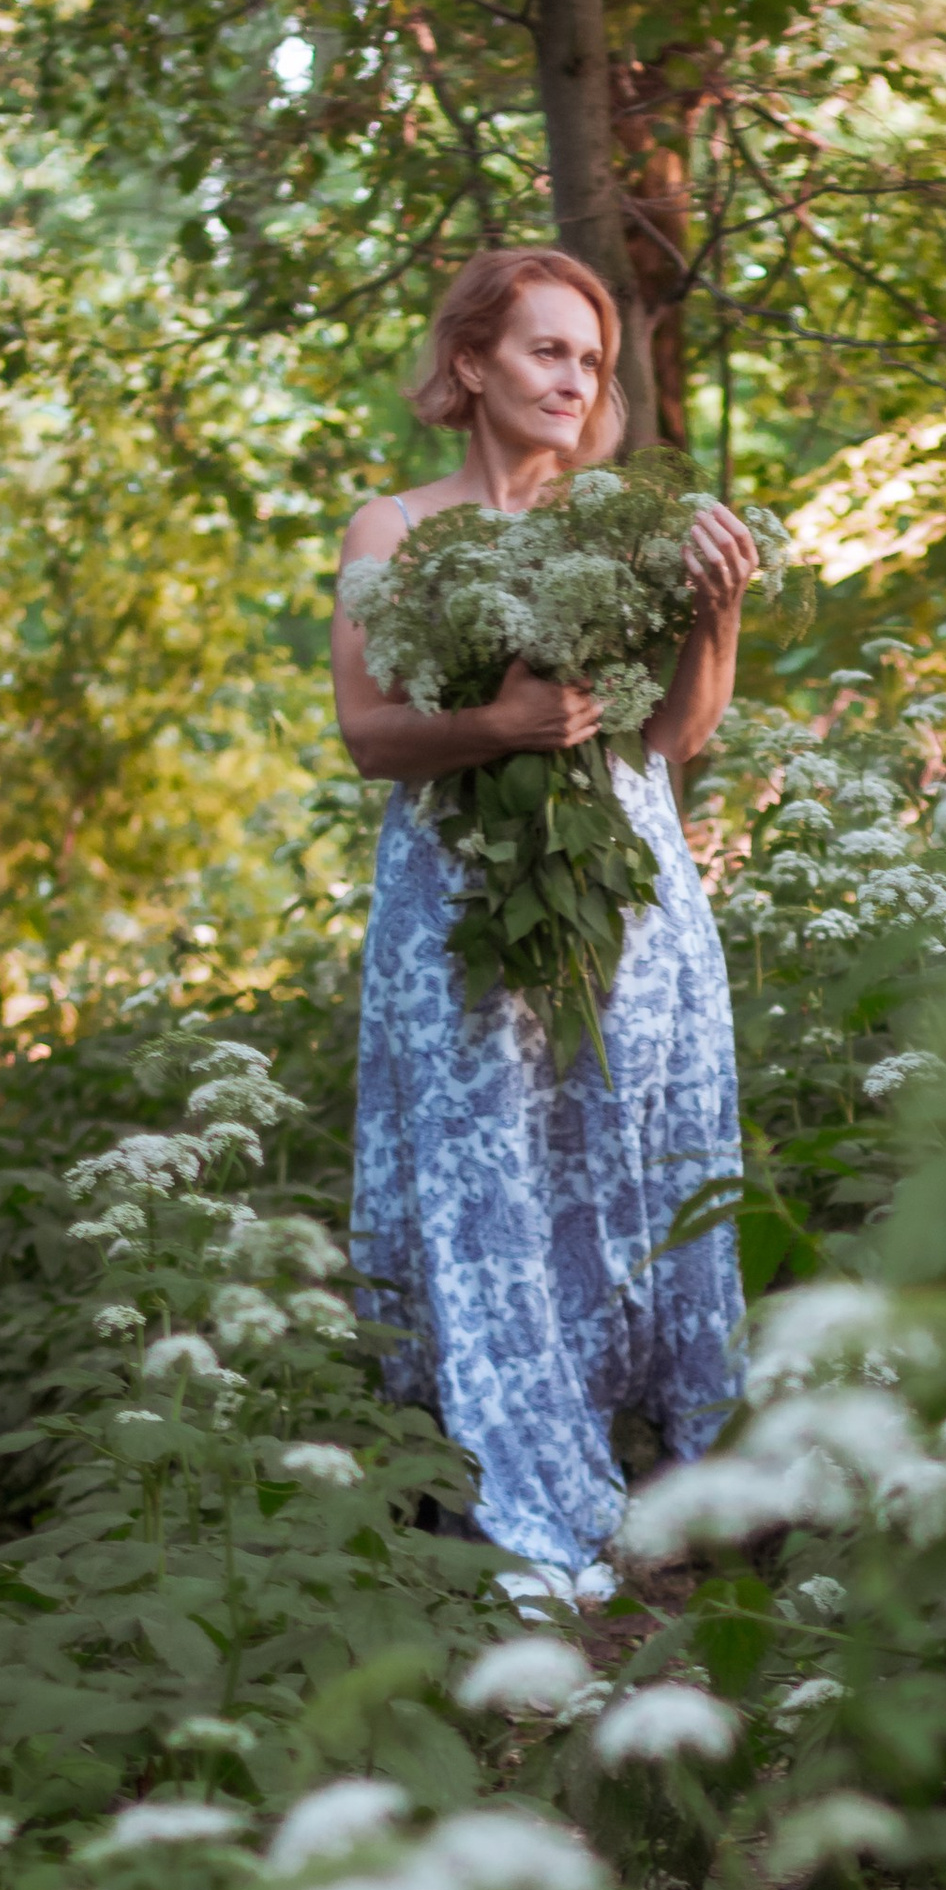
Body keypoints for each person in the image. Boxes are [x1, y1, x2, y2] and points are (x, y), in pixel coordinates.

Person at [332, 245, 759, 1601]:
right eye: (547, 352)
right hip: (457, 901)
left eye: (593, 359)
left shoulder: (630, 523)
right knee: (485, 1187)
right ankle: (520, 1503)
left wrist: (719, 614)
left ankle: (680, 1485)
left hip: (624, 890)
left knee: (638, 1166)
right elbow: (364, 737)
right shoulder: (392, 530)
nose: (578, 381)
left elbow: (674, 743)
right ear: (469, 365)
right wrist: (497, 726)